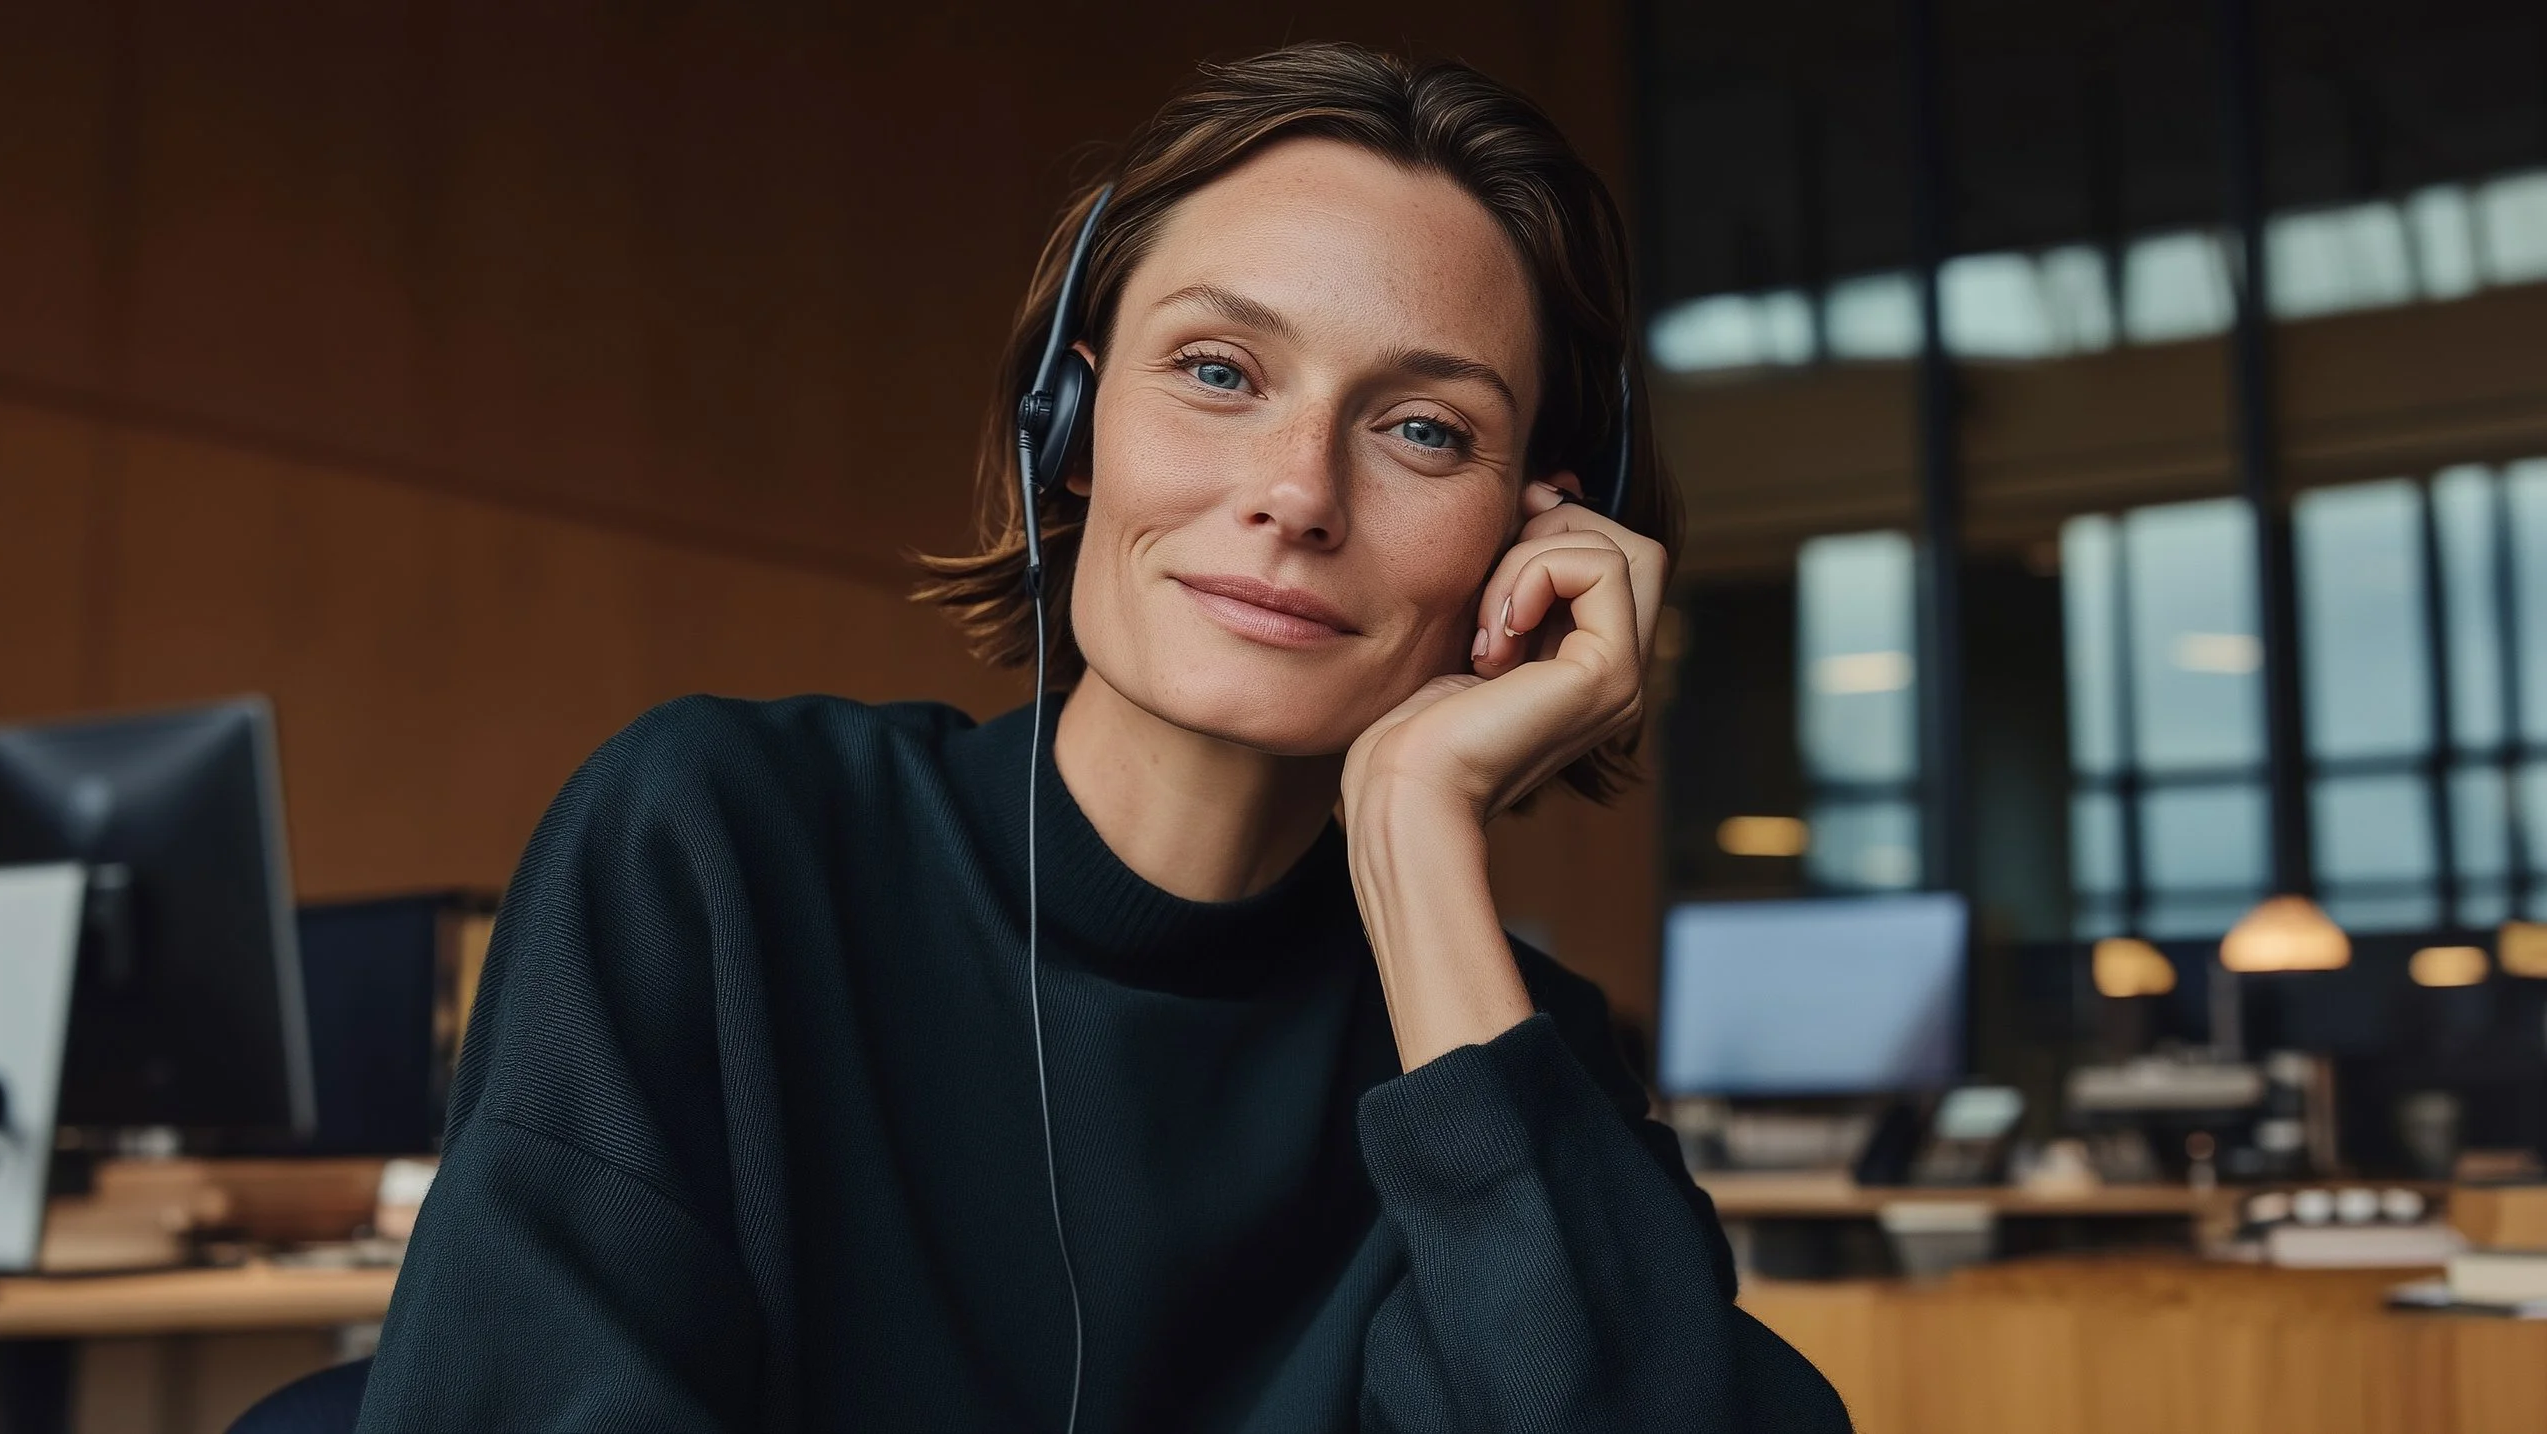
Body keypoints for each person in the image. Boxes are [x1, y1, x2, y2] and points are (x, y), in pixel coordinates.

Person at [357, 42, 1849, 1433]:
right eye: (1218, 371)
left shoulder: (1501, 1051)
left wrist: (1413, 825)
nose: (1297, 490)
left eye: (1423, 431)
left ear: (1534, 539)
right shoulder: (715, 844)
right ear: (1066, 424)